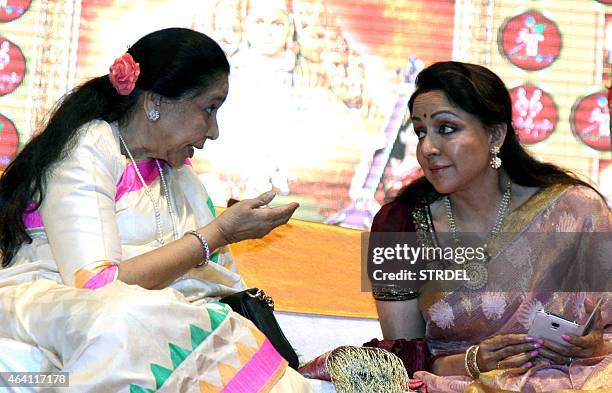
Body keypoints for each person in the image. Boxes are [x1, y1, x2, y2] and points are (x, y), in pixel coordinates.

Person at [0, 28, 312, 392]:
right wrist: (219, 233)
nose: (213, 131)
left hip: (133, 312)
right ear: (155, 103)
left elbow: (222, 284)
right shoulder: (90, 145)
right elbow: (97, 285)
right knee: (129, 316)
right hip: (56, 306)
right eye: (208, 109)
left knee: (221, 325)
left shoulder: (177, 175)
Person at [371, 61, 611, 391]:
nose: (427, 148)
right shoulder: (397, 225)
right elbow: (401, 357)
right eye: (420, 132)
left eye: (447, 129)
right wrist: (474, 361)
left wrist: (595, 348)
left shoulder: (576, 210)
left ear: (495, 134)